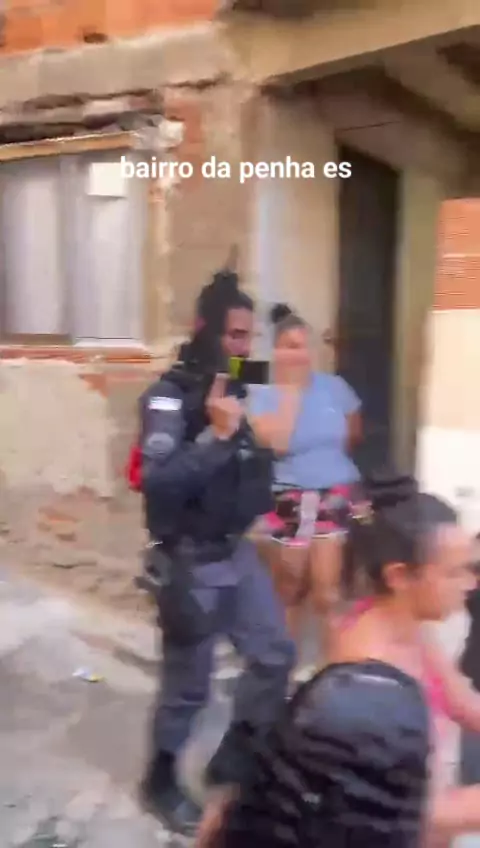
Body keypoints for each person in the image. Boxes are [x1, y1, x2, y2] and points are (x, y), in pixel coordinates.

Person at [196, 471, 480, 848]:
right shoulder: (364, 677)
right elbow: (396, 813)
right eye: (455, 573)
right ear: (399, 576)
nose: (471, 584)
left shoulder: (411, 626)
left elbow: (461, 701)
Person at [137, 271, 295, 835]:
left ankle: (234, 757)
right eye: (234, 336)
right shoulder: (167, 394)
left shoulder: (239, 377)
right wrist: (216, 437)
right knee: (190, 687)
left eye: (250, 337)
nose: (243, 348)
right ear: (204, 329)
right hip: (190, 560)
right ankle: (159, 780)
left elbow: (284, 388)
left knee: (275, 655)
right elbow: (158, 480)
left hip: (236, 550)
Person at [248, 305, 363, 656]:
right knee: (289, 586)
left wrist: (326, 467)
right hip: (290, 495)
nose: (296, 354)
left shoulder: (335, 387)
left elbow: (352, 434)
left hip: (334, 492)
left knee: (328, 592)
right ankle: (282, 667)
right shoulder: (261, 393)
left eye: (302, 346)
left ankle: (332, 671)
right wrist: (291, 392)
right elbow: (277, 443)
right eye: (288, 346)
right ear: (275, 350)